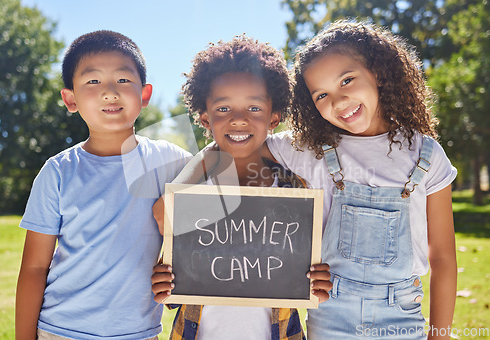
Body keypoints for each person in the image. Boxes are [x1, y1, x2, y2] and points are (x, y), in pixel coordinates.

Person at [266, 20, 457, 339]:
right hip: (329, 314)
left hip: (402, 314)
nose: (338, 102)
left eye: (347, 80)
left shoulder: (426, 154)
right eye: (321, 94)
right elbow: (233, 145)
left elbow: (443, 258)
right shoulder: (308, 149)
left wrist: (439, 335)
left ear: (378, 72)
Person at [150, 35, 332, 340]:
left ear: (275, 117)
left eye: (254, 108)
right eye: (223, 110)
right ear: (204, 118)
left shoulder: (297, 190)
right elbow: (164, 214)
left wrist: (317, 284)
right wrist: (164, 282)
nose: (238, 120)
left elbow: (309, 273)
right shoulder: (201, 185)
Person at [15, 30, 191, 340]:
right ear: (70, 99)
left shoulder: (173, 162)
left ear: (145, 94)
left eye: (123, 80)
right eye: (93, 82)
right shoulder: (58, 172)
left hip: (139, 333)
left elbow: (221, 213)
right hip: (60, 331)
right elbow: (34, 268)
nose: (110, 92)